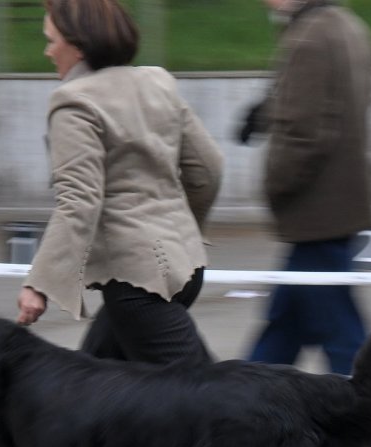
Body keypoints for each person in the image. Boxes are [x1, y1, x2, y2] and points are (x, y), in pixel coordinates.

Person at [237, 0, 371, 447]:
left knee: (339, 328)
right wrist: (265, 112)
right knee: (285, 323)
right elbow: (337, 106)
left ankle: (368, 437)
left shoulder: (308, 40)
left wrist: (275, 186)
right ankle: (246, 414)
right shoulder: (348, 26)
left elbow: (305, 131)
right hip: (343, 199)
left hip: (315, 207)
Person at [17, 0, 222, 370]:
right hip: (186, 266)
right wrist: (181, 230)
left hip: (136, 282)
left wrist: (39, 283)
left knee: (207, 399)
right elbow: (208, 169)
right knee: (90, 387)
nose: (47, 51)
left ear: (77, 46)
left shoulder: (73, 102)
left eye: (51, 40)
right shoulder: (157, 81)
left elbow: (79, 200)